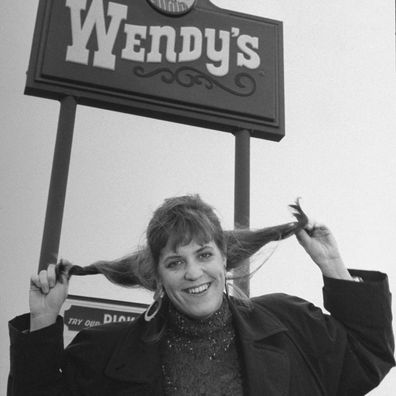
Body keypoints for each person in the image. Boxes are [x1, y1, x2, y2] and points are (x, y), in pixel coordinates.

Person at [8, 195, 395, 395]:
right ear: (157, 275)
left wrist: (333, 266)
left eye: (205, 255)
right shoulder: (108, 352)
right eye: (175, 262)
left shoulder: (288, 323)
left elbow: (368, 356)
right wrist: (43, 321)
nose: (194, 273)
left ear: (224, 260)